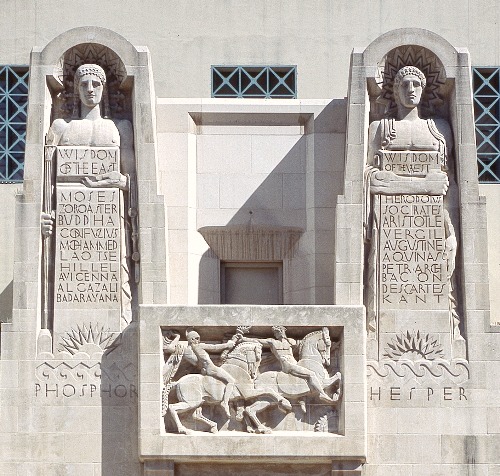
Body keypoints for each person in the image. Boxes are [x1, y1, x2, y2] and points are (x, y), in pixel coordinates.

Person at [41, 64, 136, 326]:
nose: (90, 89)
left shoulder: (121, 128)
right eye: (83, 84)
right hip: (67, 223)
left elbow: (133, 179)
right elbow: (45, 180)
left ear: (104, 89)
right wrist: (42, 216)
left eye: (96, 84)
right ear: (75, 90)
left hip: (111, 222)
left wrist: (123, 182)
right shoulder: (61, 127)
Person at [239, 325, 337, 404]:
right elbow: (257, 341)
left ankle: (302, 397)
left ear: (283, 331)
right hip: (287, 365)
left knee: (306, 375)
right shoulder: (273, 342)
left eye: (280, 331)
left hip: (295, 363)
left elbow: (306, 344)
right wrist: (243, 338)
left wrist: (332, 346)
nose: (279, 333)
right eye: (276, 332)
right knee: (311, 374)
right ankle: (322, 394)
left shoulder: (291, 341)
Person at [185, 329, 236, 418]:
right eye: (196, 338)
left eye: (198, 338)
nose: (198, 340)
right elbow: (215, 347)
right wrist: (228, 345)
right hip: (212, 368)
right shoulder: (199, 346)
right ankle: (225, 402)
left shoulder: (190, 350)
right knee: (231, 380)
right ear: (191, 339)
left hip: (207, 369)